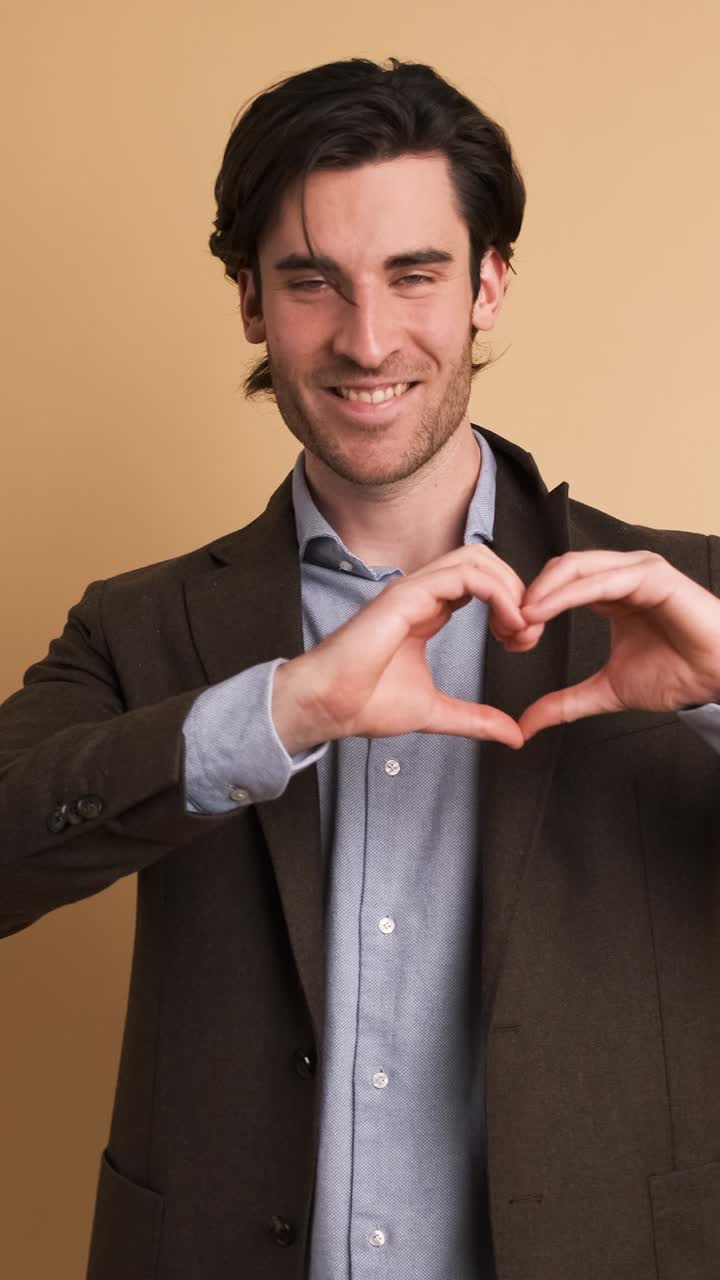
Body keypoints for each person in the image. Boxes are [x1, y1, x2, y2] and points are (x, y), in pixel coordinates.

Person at [1, 56, 720, 1280]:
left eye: (415, 275)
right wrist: (278, 712)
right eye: (311, 282)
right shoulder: (140, 623)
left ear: (490, 283)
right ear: (249, 301)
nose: (367, 338)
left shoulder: (687, 599)